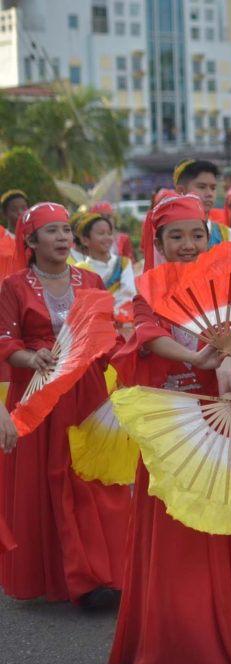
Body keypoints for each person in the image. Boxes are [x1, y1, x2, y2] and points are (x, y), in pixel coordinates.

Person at [108, 193, 231, 664]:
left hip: (218, 420)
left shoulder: (227, 284)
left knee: (223, 522)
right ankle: (181, 638)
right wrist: (195, 359)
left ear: (210, 237)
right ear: (158, 243)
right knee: (176, 534)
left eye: (196, 235)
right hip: (169, 425)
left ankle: (229, 632)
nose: (187, 245)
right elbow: (143, 335)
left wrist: (226, 362)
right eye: (176, 236)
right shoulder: (147, 290)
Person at [0, 202, 130, 609]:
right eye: (51, 231)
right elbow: (5, 342)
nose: (62, 238)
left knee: (93, 479)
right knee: (52, 479)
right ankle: (71, 576)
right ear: (31, 241)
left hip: (86, 390)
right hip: (38, 395)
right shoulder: (14, 286)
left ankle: (105, 572)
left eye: (65, 230)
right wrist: (30, 357)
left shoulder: (89, 278)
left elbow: (104, 335)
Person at [74, 212, 137, 325]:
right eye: (101, 233)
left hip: (125, 322)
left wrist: (117, 315)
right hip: (96, 325)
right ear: (85, 240)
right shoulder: (80, 270)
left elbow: (128, 295)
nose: (107, 238)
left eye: (109, 233)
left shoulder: (123, 263)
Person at [173, 159, 231, 248]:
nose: (209, 194)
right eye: (202, 187)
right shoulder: (168, 233)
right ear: (181, 191)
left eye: (213, 188)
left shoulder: (228, 235)